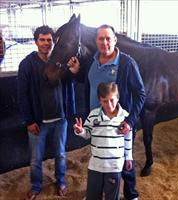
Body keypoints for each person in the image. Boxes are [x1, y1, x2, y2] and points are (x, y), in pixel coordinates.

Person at [69, 24, 145, 200]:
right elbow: (91, 81)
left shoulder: (127, 63)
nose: (105, 42)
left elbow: (140, 93)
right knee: (101, 156)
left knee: (125, 160)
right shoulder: (91, 61)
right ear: (96, 41)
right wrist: (76, 73)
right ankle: (100, 191)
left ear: (115, 40)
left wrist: (130, 121)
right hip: (96, 121)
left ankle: (131, 194)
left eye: (108, 38)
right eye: (101, 38)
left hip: (118, 123)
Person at [17, 25, 78, 200]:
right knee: (36, 158)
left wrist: (74, 72)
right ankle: (36, 186)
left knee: (60, 154)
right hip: (38, 122)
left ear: (54, 42)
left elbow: (69, 85)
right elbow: (22, 95)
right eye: (42, 40)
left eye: (49, 40)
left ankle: (60, 181)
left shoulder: (61, 61)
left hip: (60, 119)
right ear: (36, 42)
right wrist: (29, 121)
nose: (46, 43)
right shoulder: (27, 64)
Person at [73, 82, 133, 200]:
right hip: (96, 165)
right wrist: (80, 131)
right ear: (99, 100)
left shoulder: (125, 116)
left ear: (117, 98)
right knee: (93, 196)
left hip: (114, 166)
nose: (109, 105)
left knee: (112, 196)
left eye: (112, 100)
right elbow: (87, 134)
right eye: (105, 101)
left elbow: (128, 138)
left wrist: (129, 157)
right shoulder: (93, 115)